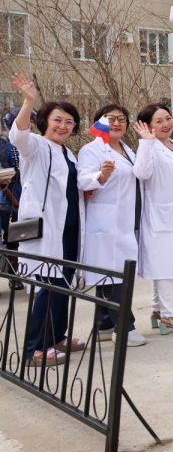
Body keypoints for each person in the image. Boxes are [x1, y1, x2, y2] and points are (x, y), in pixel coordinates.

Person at [10, 74, 87, 365]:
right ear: (44, 121)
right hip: (46, 228)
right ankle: (34, 350)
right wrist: (28, 101)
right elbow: (18, 136)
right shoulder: (36, 146)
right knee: (46, 286)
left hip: (69, 227)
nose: (63, 126)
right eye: (57, 120)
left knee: (63, 283)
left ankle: (56, 337)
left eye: (69, 122)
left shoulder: (68, 152)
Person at [77, 104, 147, 346]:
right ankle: (125, 327)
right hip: (105, 222)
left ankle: (103, 325)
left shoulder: (127, 150)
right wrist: (101, 176)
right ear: (98, 122)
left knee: (110, 274)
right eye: (110, 119)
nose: (116, 123)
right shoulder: (91, 150)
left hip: (124, 220)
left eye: (121, 119)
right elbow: (82, 180)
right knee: (115, 276)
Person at [132, 103, 173, 336]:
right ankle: (170, 315)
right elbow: (141, 173)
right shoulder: (149, 147)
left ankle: (157, 311)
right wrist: (146, 143)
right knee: (166, 265)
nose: (165, 124)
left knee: (164, 264)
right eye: (158, 121)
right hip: (159, 216)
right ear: (147, 126)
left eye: (168, 118)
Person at [0, 108, 29, 294]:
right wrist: (13, 199)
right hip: (8, 197)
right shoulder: (5, 146)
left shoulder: (32, 143)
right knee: (9, 237)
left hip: (25, 196)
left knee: (18, 238)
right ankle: (12, 275)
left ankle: (16, 274)